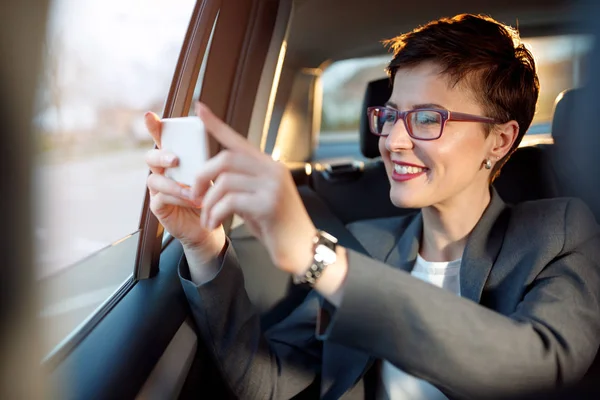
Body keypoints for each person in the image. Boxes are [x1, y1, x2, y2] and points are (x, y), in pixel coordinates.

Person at [144, 14, 600, 400]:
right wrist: (205, 246)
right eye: (391, 115)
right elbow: (268, 382)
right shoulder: (365, 245)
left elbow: (540, 363)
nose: (392, 141)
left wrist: (318, 260)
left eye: (426, 119)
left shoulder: (558, 231)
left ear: (499, 140)